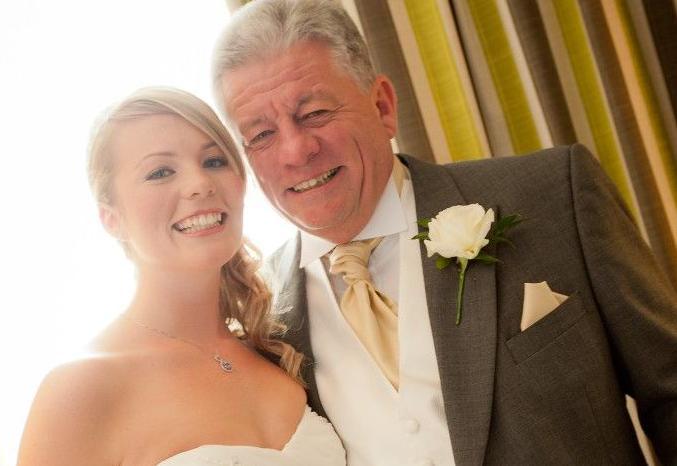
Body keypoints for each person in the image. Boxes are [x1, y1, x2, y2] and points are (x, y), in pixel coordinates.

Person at [212, 0, 677, 465]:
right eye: (261, 135)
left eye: (313, 112)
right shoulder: (260, 321)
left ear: (382, 106)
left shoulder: (554, 195)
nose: (296, 150)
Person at [16, 87, 345, 466]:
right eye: (160, 172)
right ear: (112, 217)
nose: (200, 184)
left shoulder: (275, 348)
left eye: (214, 161)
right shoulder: (79, 389)